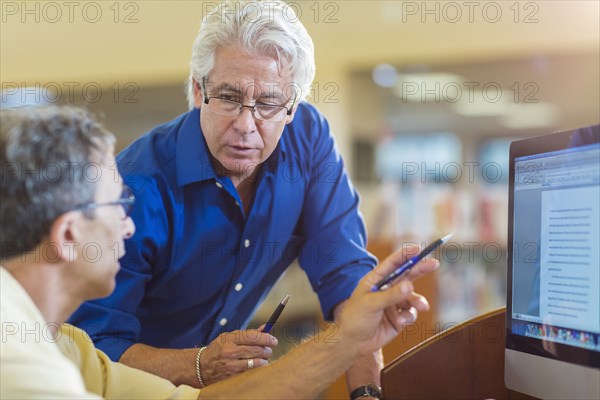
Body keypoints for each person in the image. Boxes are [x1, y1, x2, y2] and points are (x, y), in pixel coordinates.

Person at [0, 106, 438, 399]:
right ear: (71, 234)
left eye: (271, 103)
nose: (129, 224)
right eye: (117, 205)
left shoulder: (65, 345)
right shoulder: (24, 369)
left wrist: (350, 339)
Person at [69, 0, 391, 394]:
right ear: (197, 89)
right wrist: (199, 364)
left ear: (292, 107)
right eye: (228, 97)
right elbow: (90, 349)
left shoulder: (308, 140)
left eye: (268, 104)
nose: (245, 125)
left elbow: (347, 282)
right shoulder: (134, 187)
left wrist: (367, 393)